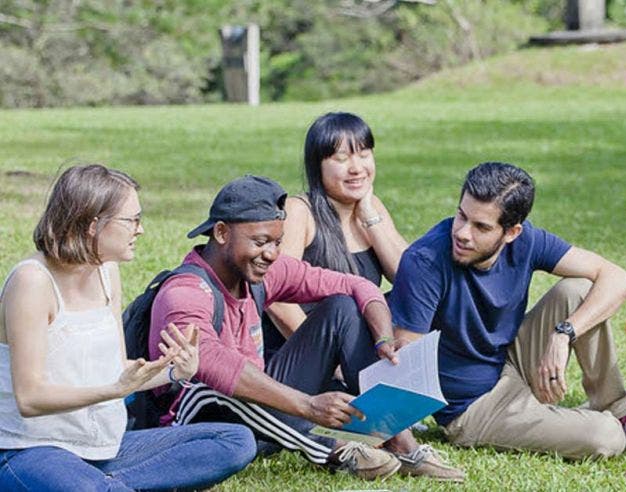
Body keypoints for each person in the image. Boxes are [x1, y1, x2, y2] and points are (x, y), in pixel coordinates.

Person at [149, 175, 464, 481]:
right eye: (260, 242)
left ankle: (399, 439)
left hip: (264, 416)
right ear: (221, 233)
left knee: (341, 307)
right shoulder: (186, 291)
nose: (271, 254)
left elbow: (354, 285)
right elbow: (210, 361)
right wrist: (308, 406)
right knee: (216, 386)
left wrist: (383, 336)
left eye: (277, 242)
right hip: (200, 422)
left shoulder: (262, 272)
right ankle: (338, 450)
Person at [389, 161, 626, 459]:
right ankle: (590, 422)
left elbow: (619, 279)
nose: (462, 233)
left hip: (512, 362)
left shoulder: (527, 242)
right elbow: (407, 361)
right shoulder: (426, 260)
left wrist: (564, 334)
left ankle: (618, 411)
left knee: (580, 289)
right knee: (606, 436)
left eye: (481, 226)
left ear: (512, 232)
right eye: (461, 216)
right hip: (474, 407)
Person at [0, 164, 255, 490]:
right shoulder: (32, 282)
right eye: (132, 220)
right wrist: (113, 391)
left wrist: (176, 372)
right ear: (94, 225)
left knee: (233, 440)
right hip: (29, 449)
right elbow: (30, 397)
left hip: (103, 449)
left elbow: (117, 371)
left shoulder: (106, 271)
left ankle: (103, 484)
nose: (140, 229)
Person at [264, 111, 408, 358]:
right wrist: (327, 359)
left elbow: (409, 279)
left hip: (353, 343)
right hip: (304, 352)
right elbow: (276, 297)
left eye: (364, 155)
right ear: (317, 165)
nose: (357, 168)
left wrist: (369, 215)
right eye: (342, 159)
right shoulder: (300, 212)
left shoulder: (372, 206)